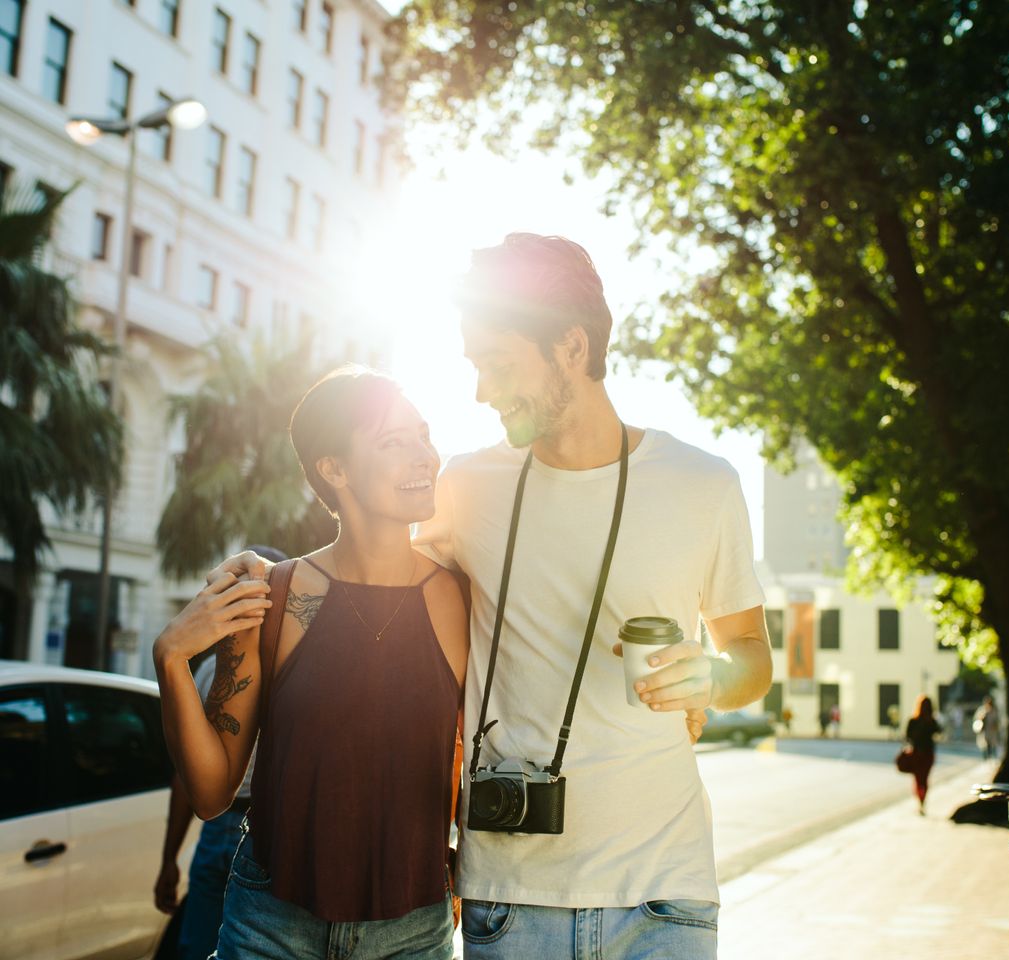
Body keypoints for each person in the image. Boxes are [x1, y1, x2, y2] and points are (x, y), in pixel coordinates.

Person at [220, 234, 773, 958]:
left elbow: (752, 660)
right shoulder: (464, 487)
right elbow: (362, 568)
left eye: (499, 364)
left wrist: (713, 676)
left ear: (572, 347)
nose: (481, 390)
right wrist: (257, 573)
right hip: (509, 903)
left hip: (664, 896)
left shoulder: (706, 484)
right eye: (475, 366)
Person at [152, 369, 467, 960]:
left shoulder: (460, 599)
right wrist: (170, 660)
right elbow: (211, 793)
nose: (424, 456)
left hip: (413, 932)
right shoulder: (270, 598)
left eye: (423, 436)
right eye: (393, 442)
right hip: (270, 927)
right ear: (334, 469)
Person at [153, 552, 284, 960]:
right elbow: (190, 779)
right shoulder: (286, 662)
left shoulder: (210, 669)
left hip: (227, 828)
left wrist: (169, 859)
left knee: (201, 943)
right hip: (261, 828)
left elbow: (185, 780)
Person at [904, 695, 942, 814]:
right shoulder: (929, 721)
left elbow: (908, 736)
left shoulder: (915, 721)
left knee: (919, 779)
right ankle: (922, 800)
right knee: (923, 779)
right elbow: (939, 731)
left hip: (919, 753)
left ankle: (921, 800)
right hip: (926, 753)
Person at [974, 695, 1002, 760]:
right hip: (984, 732)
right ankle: (985, 759)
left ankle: (993, 758)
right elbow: (977, 720)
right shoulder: (982, 710)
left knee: (993, 746)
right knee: (984, 746)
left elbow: (998, 721)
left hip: (992, 732)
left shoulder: (995, 710)